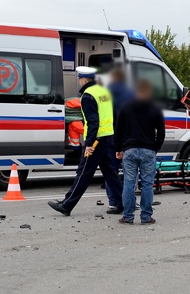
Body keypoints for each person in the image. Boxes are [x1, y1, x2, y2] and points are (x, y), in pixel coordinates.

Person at [48, 67, 123, 216]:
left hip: (96, 141)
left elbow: (93, 122)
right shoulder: (104, 91)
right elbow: (114, 115)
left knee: (83, 173)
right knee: (111, 174)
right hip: (108, 138)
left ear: (83, 80)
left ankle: (67, 204)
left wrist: (89, 144)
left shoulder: (88, 96)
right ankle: (124, 203)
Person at [115, 80, 165, 225]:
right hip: (148, 150)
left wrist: (118, 149)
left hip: (129, 151)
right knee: (147, 184)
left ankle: (128, 216)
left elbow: (118, 131)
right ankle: (146, 216)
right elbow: (161, 132)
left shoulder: (125, 107)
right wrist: (155, 148)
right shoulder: (155, 108)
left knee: (129, 184)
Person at [102, 67, 134, 213]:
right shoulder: (131, 93)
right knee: (130, 171)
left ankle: (114, 201)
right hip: (128, 138)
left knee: (111, 171)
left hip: (110, 137)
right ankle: (129, 200)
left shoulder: (105, 93)